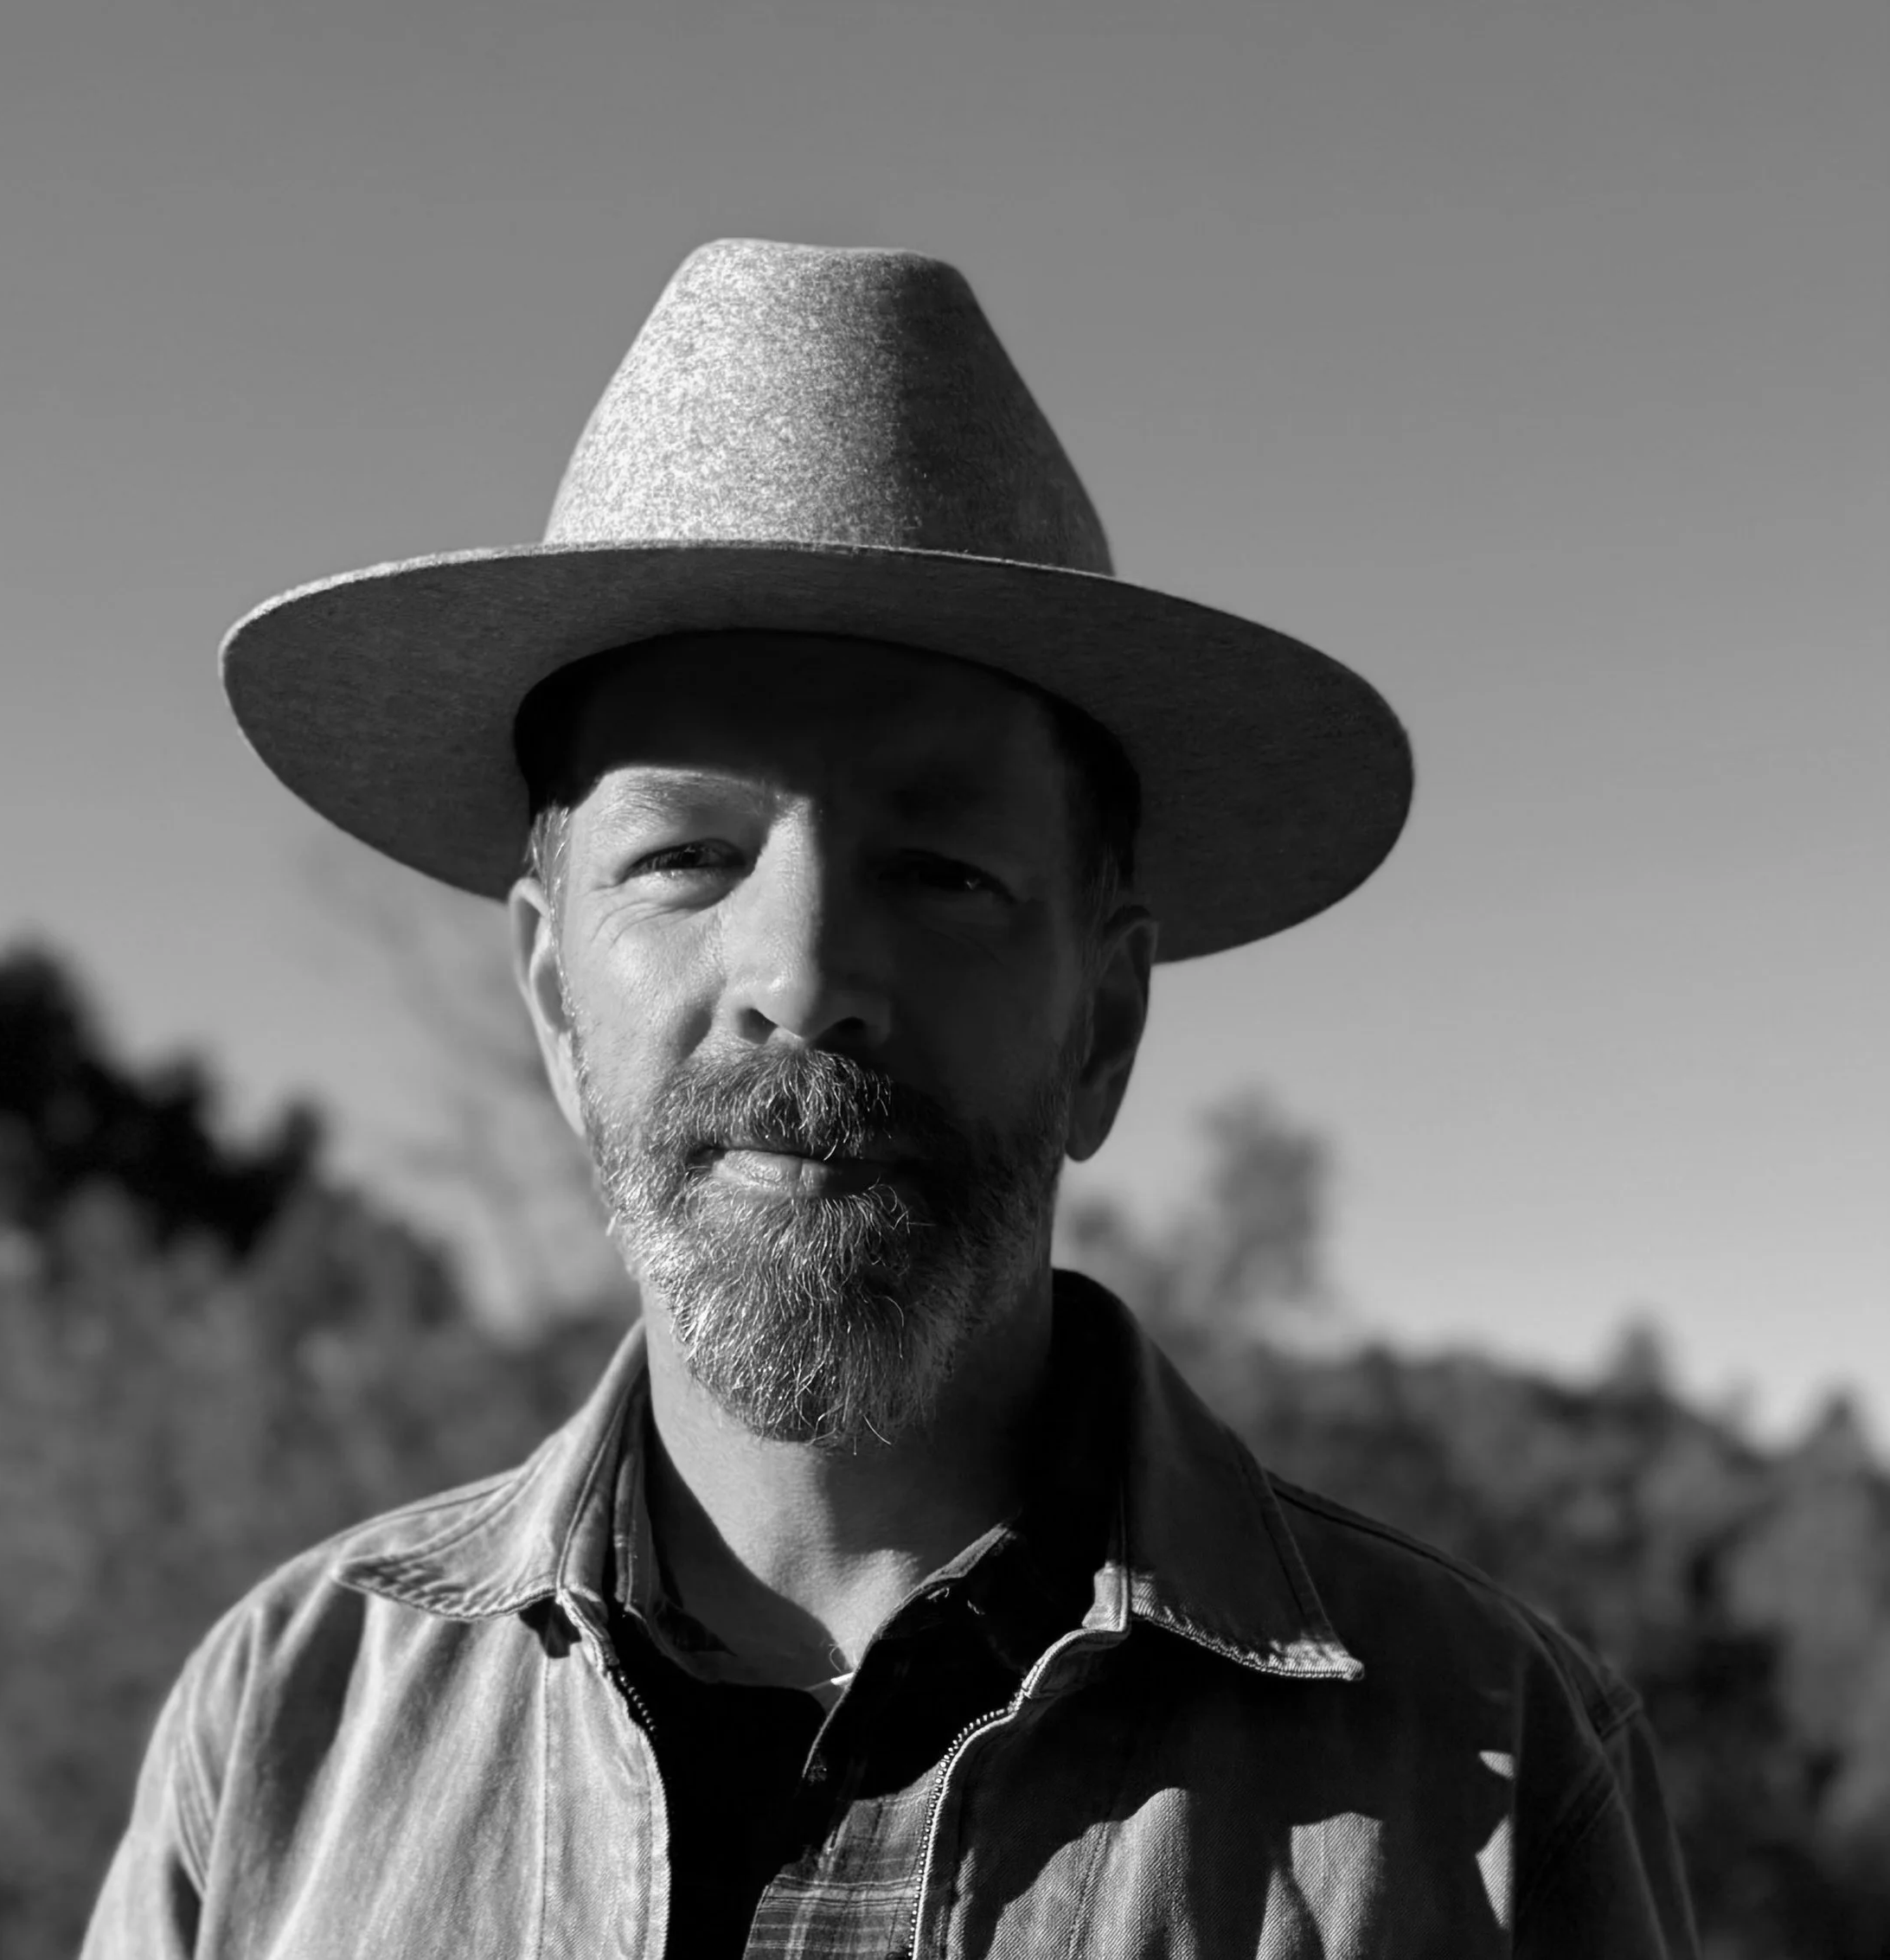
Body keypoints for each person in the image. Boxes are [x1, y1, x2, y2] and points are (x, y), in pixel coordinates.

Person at [82, 239, 1697, 1957]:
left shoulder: (1491, 1778)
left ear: (1104, 1019)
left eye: (938, 868)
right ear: (554, 996)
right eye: (688, 856)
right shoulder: (285, 1729)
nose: (803, 971)